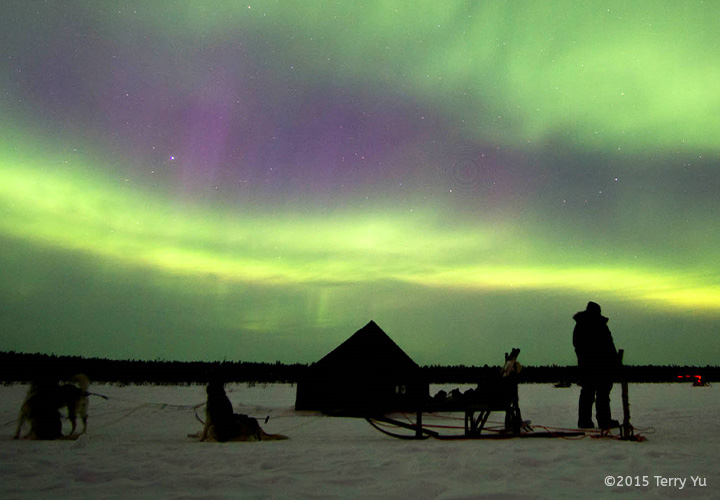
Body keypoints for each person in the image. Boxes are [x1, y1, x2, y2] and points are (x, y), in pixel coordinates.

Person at [572, 301, 620, 429]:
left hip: (589, 366)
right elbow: (609, 345)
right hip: (599, 366)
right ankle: (601, 421)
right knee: (600, 394)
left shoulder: (581, 325)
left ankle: (587, 421)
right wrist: (613, 361)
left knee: (591, 393)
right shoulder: (598, 324)